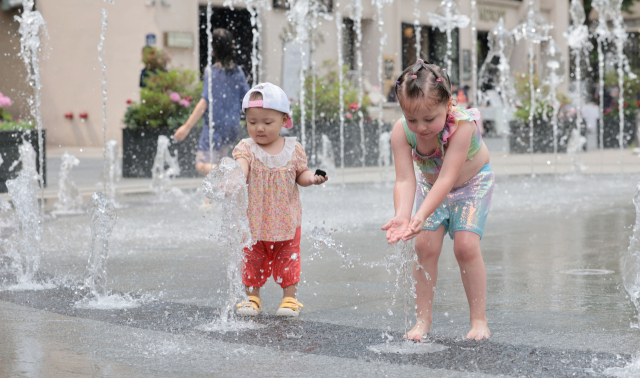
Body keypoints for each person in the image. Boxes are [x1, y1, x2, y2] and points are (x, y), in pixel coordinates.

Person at [381, 60, 494, 341]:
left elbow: (447, 177)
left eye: (429, 119)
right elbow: (406, 179)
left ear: (449, 104)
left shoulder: (462, 126)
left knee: (466, 246)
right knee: (424, 246)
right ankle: (422, 321)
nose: (420, 128)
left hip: (471, 185)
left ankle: (479, 320)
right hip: (432, 188)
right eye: (412, 119)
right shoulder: (401, 131)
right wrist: (403, 215)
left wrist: (420, 216)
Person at [233, 83, 328, 317]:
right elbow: (241, 168)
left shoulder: (293, 149)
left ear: (285, 119)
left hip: (287, 220)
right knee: (252, 258)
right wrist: (234, 179)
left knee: (289, 258)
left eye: (267, 122)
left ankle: (289, 299)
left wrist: (312, 179)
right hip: (255, 221)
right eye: (252, 122)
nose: (259, 128)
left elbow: (301, 176)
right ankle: (252, 297)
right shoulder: (246, 148)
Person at [174, 28, 250, 176]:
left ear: (213, 50)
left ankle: (229, 172)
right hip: (231, 127)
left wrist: (186, 127)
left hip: (214, 128)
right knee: (219, 162)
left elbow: (204, 103)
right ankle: (211, 199)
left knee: (201, 164)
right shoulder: (238, 72)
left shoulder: (212, 72)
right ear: (232, 47)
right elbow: (248, 99)